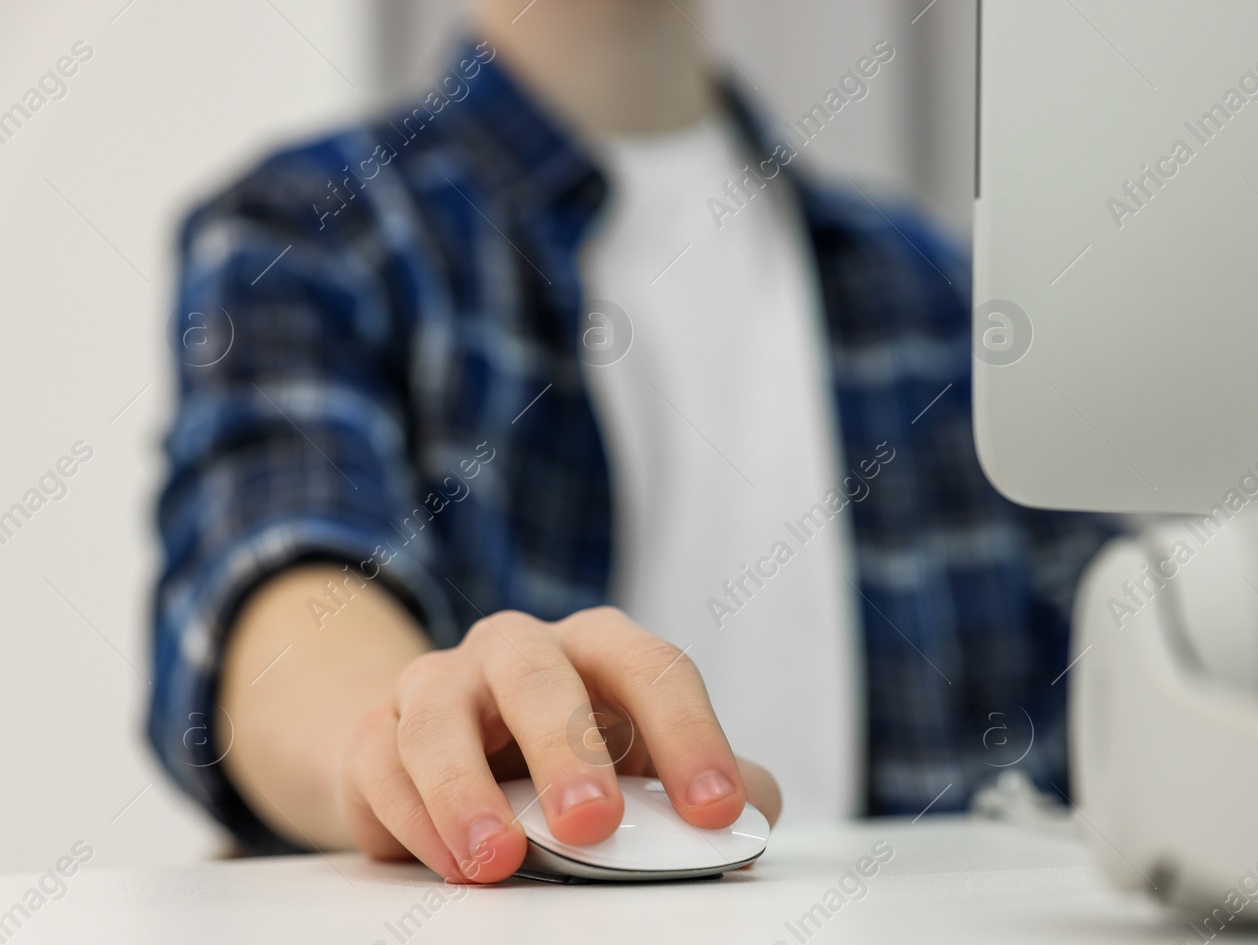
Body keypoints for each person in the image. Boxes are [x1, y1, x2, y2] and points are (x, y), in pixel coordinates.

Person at [149, 0, 1115, 884]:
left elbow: (1109, 703)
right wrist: (410, 736)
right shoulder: (312, 231)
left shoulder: (939, 293)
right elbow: (276, 572)